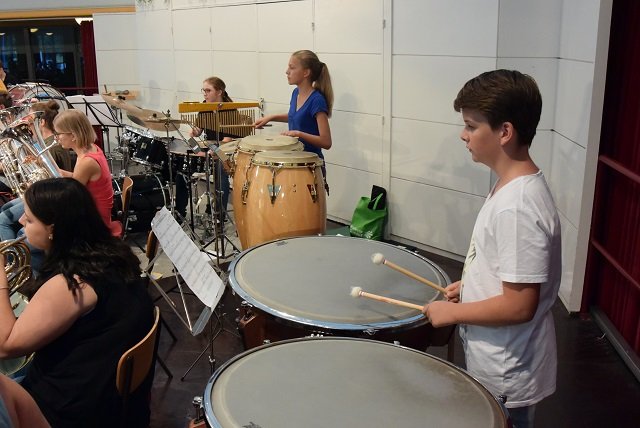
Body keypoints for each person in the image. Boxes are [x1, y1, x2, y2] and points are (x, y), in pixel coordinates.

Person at [422, 70, 561, 428]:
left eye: (471, 126)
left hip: (507, 369)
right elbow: (504, 269)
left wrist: (454, 313)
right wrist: (471, 288)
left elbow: (519, 305)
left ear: (505, 132)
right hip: (500, 358)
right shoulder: (511, 187)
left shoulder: (518, 206)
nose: (463, 135)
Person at [0, 177, 154, 427]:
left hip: (69, 411)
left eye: (29, 219)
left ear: (52, 229)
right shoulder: (113, 255)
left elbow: (5, 347)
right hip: (110, 398)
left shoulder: (72, 284)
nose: (21, 222)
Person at [253, 49, 333, 186]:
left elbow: (326, 142)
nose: (287, 71)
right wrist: (271, 117)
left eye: (292, 67)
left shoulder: (317, 100)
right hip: (294, 162)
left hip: (309, 166)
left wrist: (298, 134)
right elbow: (296, 117)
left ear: (306, 72)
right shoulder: (296, 93)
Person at [0, 101, 73, 242]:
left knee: (3, 221)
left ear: (42, 122)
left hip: (49, 199)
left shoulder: (52, 147)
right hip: (43, 194)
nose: (26, 122)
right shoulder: (44, 145)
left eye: (30, 118)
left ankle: (13, 252)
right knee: (5, 210)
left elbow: (51, 180)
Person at [52, 109, 121, 237]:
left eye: (58, 133)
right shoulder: (91, 148)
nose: (56, 138)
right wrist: (57, 171)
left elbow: (70, 196)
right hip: (92, 211)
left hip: (95, 221)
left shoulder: (86, 162)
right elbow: (78, 179)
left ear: (73, 135)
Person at [177, 76, 236, 221]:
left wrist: (210, 153)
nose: (205, 94)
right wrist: (194, 134)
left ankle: (219, 215)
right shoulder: (205, 106)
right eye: (203, 90)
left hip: (225, 150)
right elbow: (198, 131)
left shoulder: (230, 110)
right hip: (210, 146)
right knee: (181, 166)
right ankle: (180, 212)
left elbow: (227, 141)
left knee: (220, 170)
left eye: (208, 90)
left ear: (219, 92)